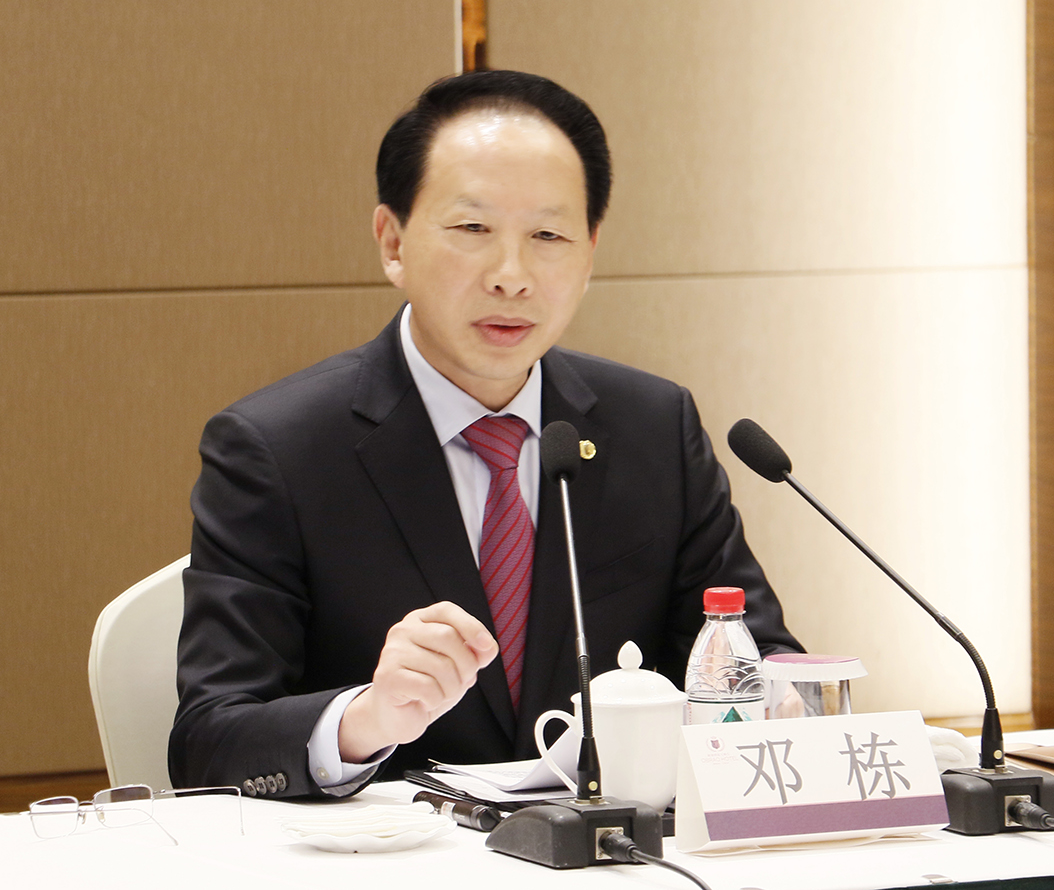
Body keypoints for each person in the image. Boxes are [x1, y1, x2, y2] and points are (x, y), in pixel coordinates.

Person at [170, 70, 802, 799]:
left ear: (589, 252)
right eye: (473, 230)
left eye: (548, 235)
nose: (512, 275)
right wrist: (364, 718)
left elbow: (749, 650)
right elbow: (207, 742)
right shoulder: (277, 449)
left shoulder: (654, 428)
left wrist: (787, 697)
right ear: (392, 242)